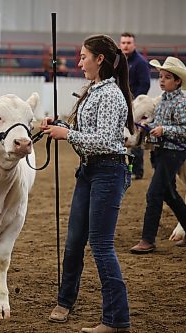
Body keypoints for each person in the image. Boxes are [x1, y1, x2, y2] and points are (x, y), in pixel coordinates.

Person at [43, 34, 133, 333]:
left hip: (107, 172)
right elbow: (90, 131)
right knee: (74, 243)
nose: (80, 62)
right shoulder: (93, 90)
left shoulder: (109, 94)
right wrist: (59, 126)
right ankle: (65, 301)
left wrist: (66, 135)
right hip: (90, 171)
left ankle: (116, 320)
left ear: (100, 59)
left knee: (101, 245)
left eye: (84, 57)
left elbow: (107, 141)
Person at [130, 56, 186, 255]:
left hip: (174, 153)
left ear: (178, 81)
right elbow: (161, 126)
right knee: (169, 194)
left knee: (154, 193)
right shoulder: (162, 101)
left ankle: (148, 239)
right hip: (160, 152)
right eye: (161, 76)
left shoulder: (183, 103)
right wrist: (150, 127)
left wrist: (164, 130)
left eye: (167, 77)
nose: (162, 80)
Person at [119, 32, 150, 180]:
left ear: (134, 45)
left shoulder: (140, 63)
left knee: (134, 137)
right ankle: (124, 167)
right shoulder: (118, 61)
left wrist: (133, 102)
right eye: (123, 42)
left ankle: (137, 170)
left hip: (134, 107)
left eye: (128, 43)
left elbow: (145, 84)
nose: (125, 45)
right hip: (121, 105)